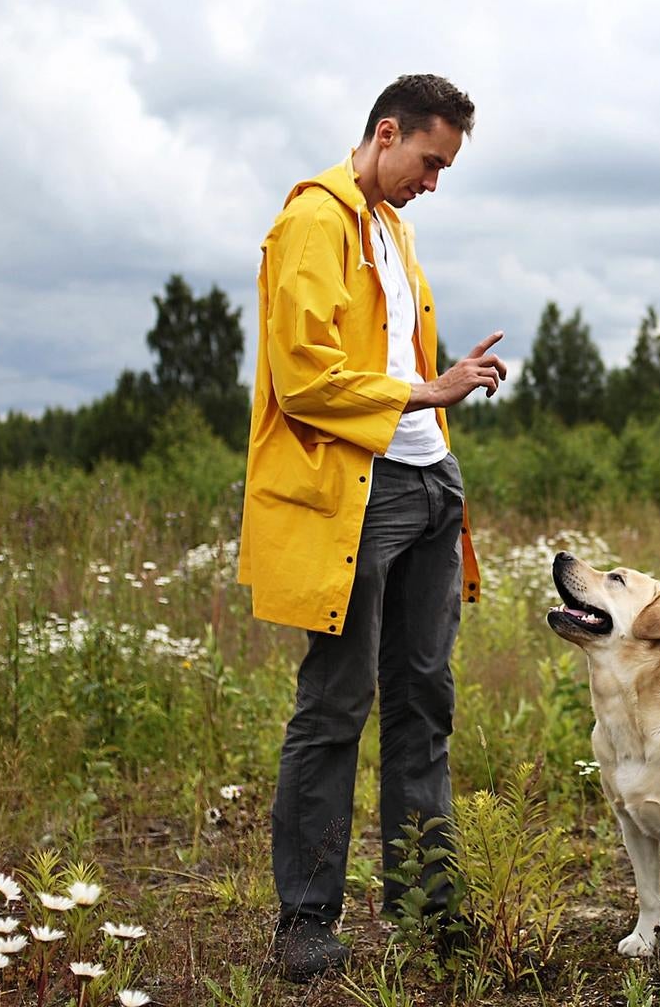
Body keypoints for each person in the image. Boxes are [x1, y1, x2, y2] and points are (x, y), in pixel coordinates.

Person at [237, 73, 505, 983]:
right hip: (358, 491)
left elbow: (390, 355)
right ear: (386, 134)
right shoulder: (311, 222)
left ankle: (428, 906)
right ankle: (306, 922)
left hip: (432, 480)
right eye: (429, 161)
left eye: (445, 168)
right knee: (336, 704)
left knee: (424, 699)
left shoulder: (394, 227)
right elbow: (304, 375)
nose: (434, 180)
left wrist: (441, 377)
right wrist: (420, 391)